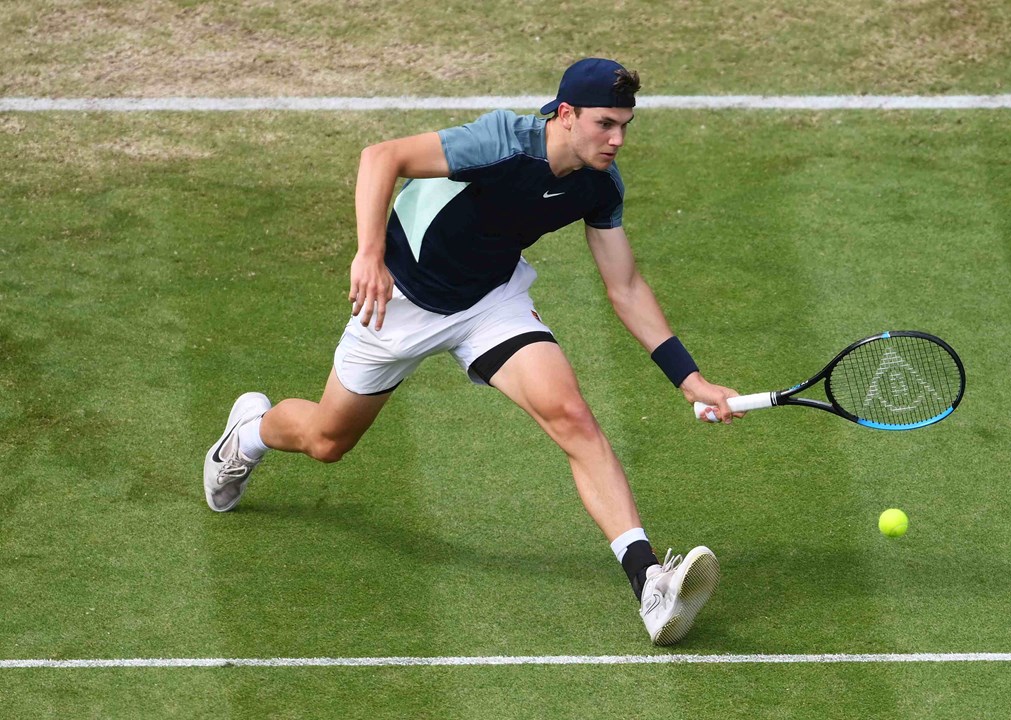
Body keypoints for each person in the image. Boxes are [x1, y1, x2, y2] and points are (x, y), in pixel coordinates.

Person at [203, 58, 741, 645]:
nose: (617, 139)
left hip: (489, 302)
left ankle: (649, 585)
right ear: (566, 115)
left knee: (573, 418)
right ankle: (248, 434)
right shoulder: (500, 143)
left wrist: (690, 380)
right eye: (605, 124)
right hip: (399, 302)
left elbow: (627, 287)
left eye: (626, 126)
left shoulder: (598, 184)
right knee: (327, 441)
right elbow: (380, 157)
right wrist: (368, 253)